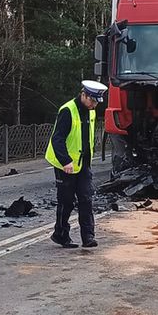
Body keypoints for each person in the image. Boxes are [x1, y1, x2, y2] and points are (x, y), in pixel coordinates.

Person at [45, 80, 107, 248]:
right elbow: (57, 139)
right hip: (65, 164)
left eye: (96, 102)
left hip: (83, 164)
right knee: (66, 201)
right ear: (83, 95)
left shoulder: (91, 111)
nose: (94, 105)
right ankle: (61, 234)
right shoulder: (68, 111)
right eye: (92, 100)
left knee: (86, 198)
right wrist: (65, 161)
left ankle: (88, 237)